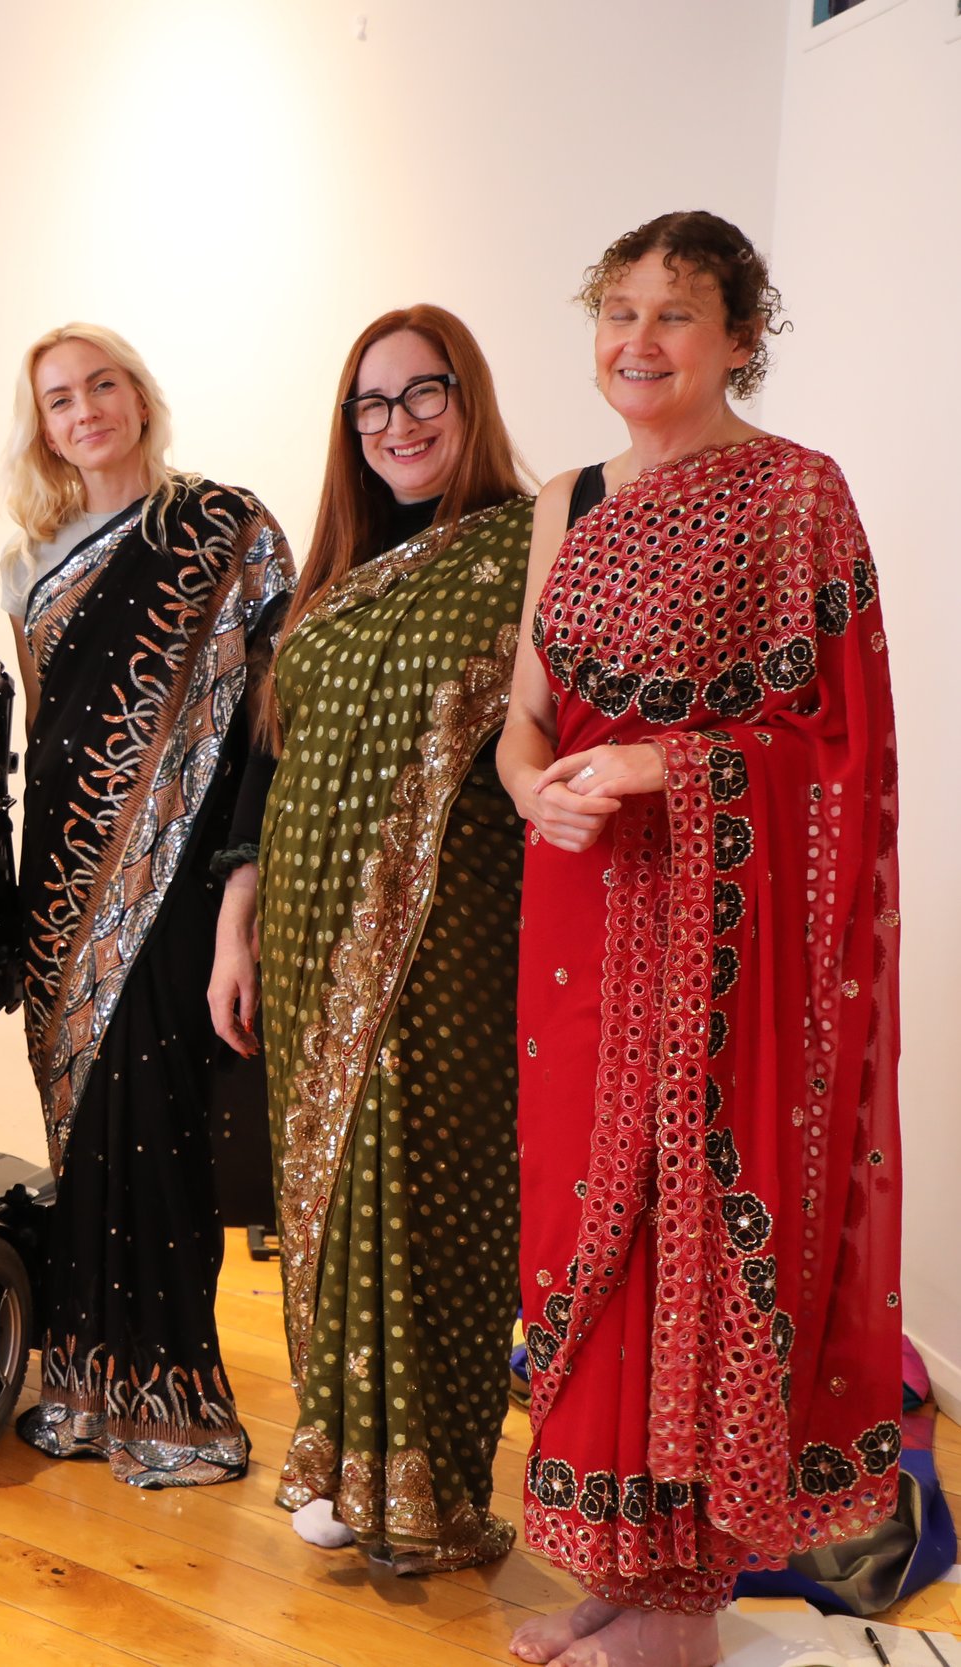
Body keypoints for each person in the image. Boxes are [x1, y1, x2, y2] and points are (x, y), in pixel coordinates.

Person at [500, 212, 901, 1667]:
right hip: (582, 902)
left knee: (701, 1224)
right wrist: (531, 787)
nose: (639, 341)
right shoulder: (570, 494)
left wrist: (675, 768)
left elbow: (840, 741)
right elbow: (527, 714)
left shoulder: (799, 495)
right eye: (617, 309)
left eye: (677, 314)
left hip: (726, 928)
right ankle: (624, 1569)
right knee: (583, 1239)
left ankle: (686, 1611)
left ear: (742, 336)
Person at [209, 306, 533, 1573]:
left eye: (422, 394)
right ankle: (338, 1458)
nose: (397, 424)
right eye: (371, 404)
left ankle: (436, 1481)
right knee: (329, 1195)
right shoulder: (329, 580)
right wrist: (235, 923)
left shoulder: (529, 545)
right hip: (301, 932)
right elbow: (261, 768)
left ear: (469, 396)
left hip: (456, 935)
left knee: (433, 1187)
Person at [0, 323, 292, 1487]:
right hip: (61, 887)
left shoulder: (227, 527)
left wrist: (242, 882)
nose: (86, 410)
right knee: (78, 1143)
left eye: (102, 384)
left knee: (160, 1133)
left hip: (179, 885)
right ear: (44, 428)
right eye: (60, 399)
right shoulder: (33, 555)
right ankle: (79, 1382)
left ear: (139, 394)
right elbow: (46, 727)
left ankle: (177, 1405)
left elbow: (272, 718)